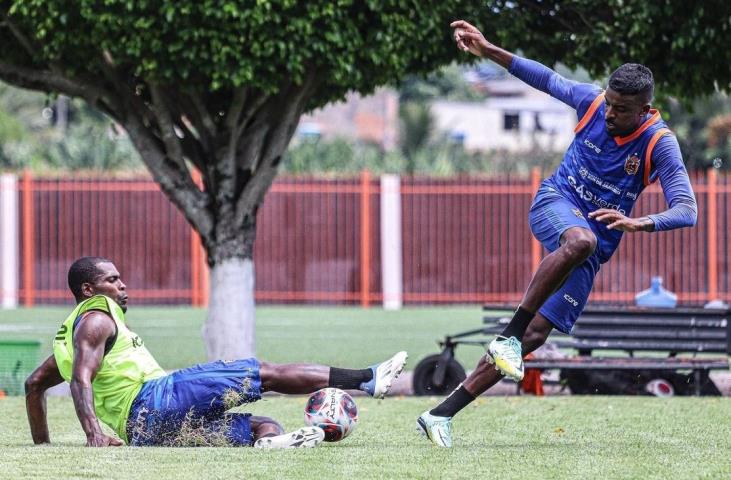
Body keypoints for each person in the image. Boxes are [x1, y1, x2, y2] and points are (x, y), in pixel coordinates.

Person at [417, 20, 698, 447]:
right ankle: (508, 336)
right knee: (578, 242)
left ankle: (440, 414)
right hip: (556, 203)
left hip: (593, 249)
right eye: (608, 103)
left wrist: (642, 222)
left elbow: (687, 209)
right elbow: (545, 77)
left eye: (620, 110)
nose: (609, 114)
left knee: (537, 336)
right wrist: (489, 49)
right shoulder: (592, 103)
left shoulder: (659, 143)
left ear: (644, 110)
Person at [25, 256, 408, 449]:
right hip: (157, 398)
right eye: (112, 281)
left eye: (121, 279)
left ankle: (267, 447)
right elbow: (81, 380)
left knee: (263, 425)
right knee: (264, 372)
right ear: (89, 290)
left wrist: (43, 446)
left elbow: (34, 384)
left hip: (144, 432)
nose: (123, 287)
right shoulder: (97, 317)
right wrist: (93, 434)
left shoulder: (68, 337)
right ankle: (368, 379)